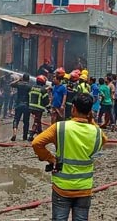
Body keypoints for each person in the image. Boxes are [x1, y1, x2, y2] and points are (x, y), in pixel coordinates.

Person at [32, 93, 107, 221]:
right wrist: (91, 120)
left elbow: (36, 143)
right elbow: (104, 140)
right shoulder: (97, 133)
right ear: (90, 111)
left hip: (62, 187)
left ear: (73, 108)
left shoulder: (60, 127)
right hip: (84, 188)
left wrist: (51, 159)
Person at [10, 74, 32, 142]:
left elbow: (11, 84)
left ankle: (14, 133)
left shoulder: (19, 84)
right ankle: (24, 136)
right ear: (28, 79)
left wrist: (18, 80)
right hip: (26, 105)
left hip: (18, 104)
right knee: (26, 121)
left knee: (16, 119)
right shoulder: (30, 86)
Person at [28, 75, 49, 140]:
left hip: (31, 107)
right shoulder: (43, 90)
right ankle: (31, 135)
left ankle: (40, 132)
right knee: (36, 121)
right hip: (38, 108)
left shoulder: (32, 87)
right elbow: (46, 101)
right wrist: (49, 108)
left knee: (38, 120)